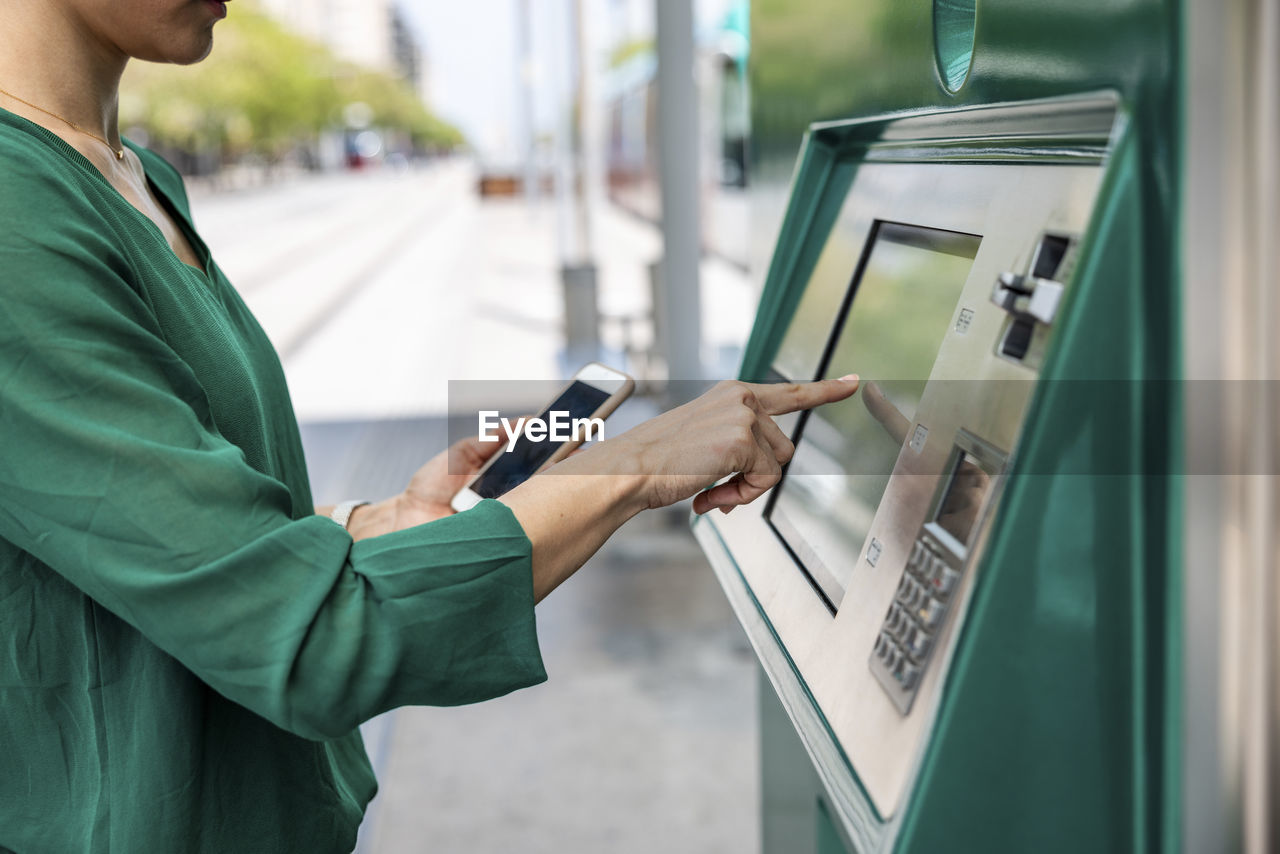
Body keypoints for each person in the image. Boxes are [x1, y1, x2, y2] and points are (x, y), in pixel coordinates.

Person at [0, 1, 860, 851]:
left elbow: (159, 533)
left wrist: (369, 525)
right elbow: (306, 639)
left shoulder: (134, 175)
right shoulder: (15, 213)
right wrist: (629, 464)